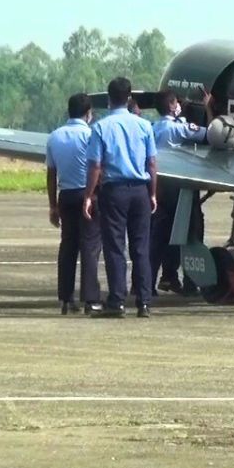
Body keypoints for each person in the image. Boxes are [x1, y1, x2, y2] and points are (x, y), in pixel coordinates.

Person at [83, 77, 157, 318]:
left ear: (108, 98)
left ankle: (117, 301)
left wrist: (88, 194)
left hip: (114, 190)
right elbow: (152, 163)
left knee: (115, 247)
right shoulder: (144, 126)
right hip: (140, 190)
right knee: (141, 247)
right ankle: (144, 301)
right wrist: (153, 193)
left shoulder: (102, 127)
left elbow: (95, 165)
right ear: (129, 99)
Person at [46, 93, 103, 315]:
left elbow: (51, 173)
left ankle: (66, 298)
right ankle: (90, 299)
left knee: (68, 246)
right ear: (88, 113)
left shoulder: (55, 137)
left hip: (66, 195)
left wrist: (53, 205)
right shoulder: (90, 135)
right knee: (90, 246)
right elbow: (97, 167)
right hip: (87, 194)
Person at [150, 88, 211, 296]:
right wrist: (209, 108)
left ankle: (150, 282)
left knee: (159, 236)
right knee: (191, 230)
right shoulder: (179, 128)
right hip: (179, 188)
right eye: (176, 102)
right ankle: (191, 282)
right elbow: (210, 134)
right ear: (171, 105)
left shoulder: (154, 127)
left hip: (158, 186)